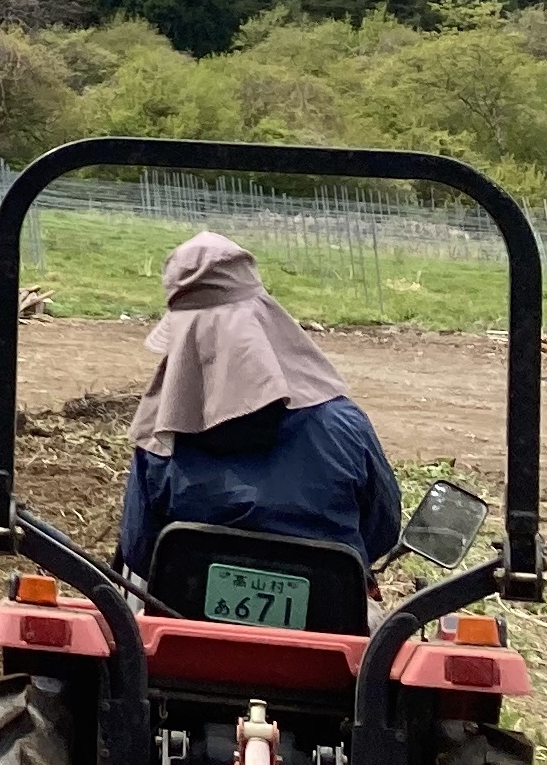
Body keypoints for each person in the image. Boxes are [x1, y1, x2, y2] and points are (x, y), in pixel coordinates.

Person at [115, 231, 403, 585]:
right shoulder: (344, 425)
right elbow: (382, 530)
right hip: (328, 629)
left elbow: (139, 550)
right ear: (264, 323)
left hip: (188, 627)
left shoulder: (160, 443)